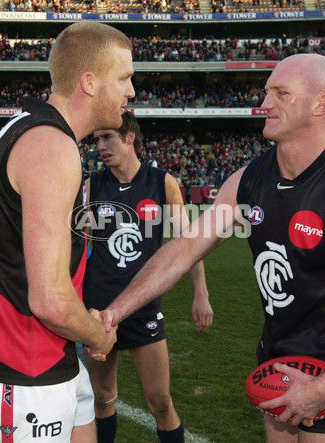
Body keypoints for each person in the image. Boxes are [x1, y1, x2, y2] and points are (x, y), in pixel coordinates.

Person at [101, 54, 325, 442]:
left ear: (320, 105)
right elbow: (182, 250)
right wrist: (115, 312)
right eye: (267, 92)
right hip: (276, 361)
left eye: (281, 94)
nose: (264, 104)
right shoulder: (248, 179)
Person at [0, 22, 134, 442]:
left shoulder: (15, 128)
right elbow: (50, 301)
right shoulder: (53, 146)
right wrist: (98, 336)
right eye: (124, 78)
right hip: (21, 375)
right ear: (89, 83)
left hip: (44, 363)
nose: (131, 92)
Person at [82, 112, 213, 443]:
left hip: (142, 306)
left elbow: (187, 244)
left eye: (107, 137)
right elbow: (77, 248)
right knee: (102, 399)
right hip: (98, 310)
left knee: (161, 402)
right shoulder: (92, 186)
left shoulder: (161, 182)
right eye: (96, 139)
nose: (100, 146)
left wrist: (201, 293)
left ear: (129, 138)